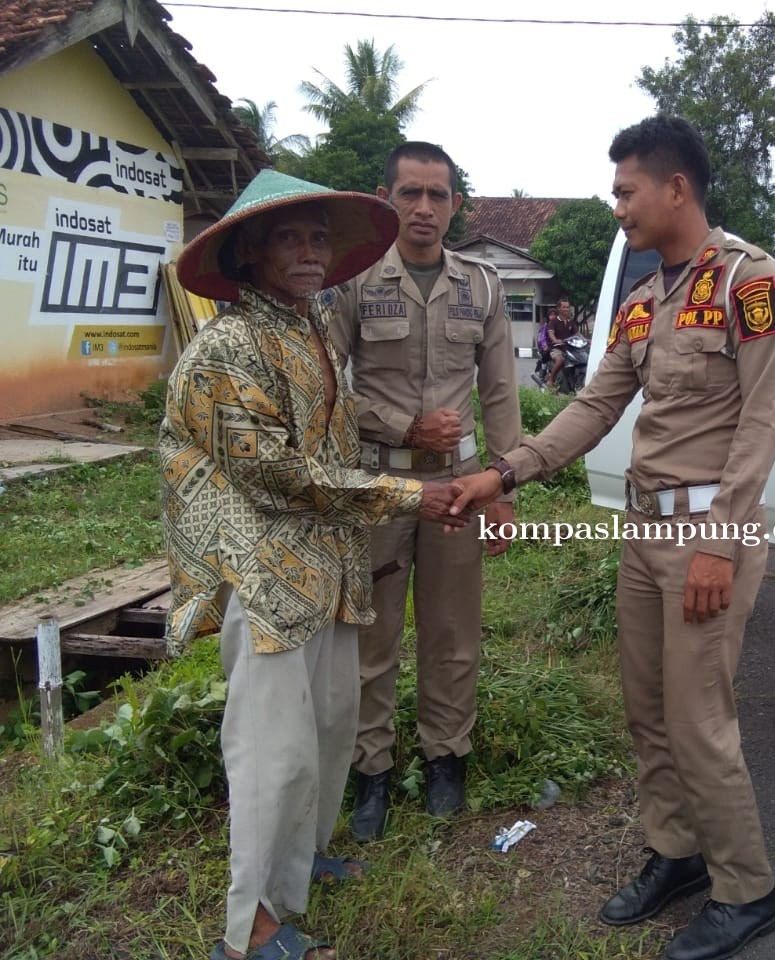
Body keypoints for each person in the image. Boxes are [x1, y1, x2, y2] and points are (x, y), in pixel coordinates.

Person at [451, 115, 775, 960]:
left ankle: (746, 889)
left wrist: (719, 540)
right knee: (648, 712)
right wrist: (507, 473)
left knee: (699, 718)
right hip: (643, 537)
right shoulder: (646, 303)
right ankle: (676, 854)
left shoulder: (750, 284)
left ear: (676, 187)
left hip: (705, 540)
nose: (617, 208)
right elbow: (595, 406)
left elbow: (761, 422)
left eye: (625, 191)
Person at [161, 169, 470, 960]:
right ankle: (250, 928)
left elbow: (338, 438)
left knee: (329, 729)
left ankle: (296, 869)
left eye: (318, 237)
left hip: (329, 566)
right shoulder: (228, 345)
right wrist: (408, 494)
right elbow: (274, 471)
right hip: (266, 578)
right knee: (271, 751)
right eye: (290, 237)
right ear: (250, 250)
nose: (309, 252)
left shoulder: (311, 330)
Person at [329, 141, 521, 838]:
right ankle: (371, 769)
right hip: (378, 483)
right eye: (410, 193)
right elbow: (325, 390)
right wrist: (404, 425)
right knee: (369, 635)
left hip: (460, 487)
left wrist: (504, 487)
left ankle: (447, 757)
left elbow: (501, 393)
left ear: (455, 205)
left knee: (451, 632)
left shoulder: (482, 284)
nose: (424, 208)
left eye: (438, 195)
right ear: (387, 199)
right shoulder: (352, 281)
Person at [544, 294, 578, 391]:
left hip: (568, 349)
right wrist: (555, 340)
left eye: (567, 307)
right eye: (564, 307)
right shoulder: (553, 322)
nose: (566, 309)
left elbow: (578, 334)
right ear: (559, 308)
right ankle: (550, 380)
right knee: (560, 360)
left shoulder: (570, 322)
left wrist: (587, 341)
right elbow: (551, 333)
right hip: (556, 348)